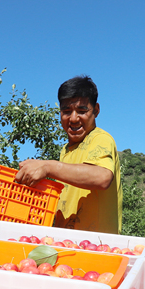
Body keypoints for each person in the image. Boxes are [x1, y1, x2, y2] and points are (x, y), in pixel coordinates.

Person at [15, 75, 122, 234]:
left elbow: (102, 177)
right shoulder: (65, 151)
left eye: (82, 111)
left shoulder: (100, 138)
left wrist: (47, 166)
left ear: (96, 110)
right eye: (66, 111)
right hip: (67, 244)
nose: (73, 118)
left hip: (97, 248)